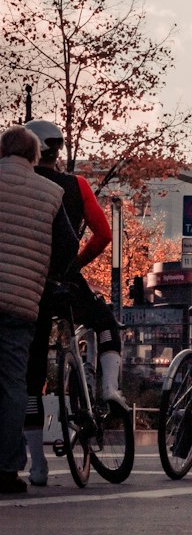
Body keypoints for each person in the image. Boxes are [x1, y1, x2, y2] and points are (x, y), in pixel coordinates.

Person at [23, 119, 124, 487]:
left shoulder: (21, 185)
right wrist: (77, 264)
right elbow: (103, 234)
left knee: (32, 372)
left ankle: (38, 465)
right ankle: (110, 387)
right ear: (58, 150)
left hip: (29, 282)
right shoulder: (77, 185)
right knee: (104, 322)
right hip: (67, 279)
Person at [0, 127, 78, 494]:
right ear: (35, 156)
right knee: (14, 383)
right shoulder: (50, 192)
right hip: (21, 301)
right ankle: (6, 468)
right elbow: (68, 246)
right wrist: (45, 276)